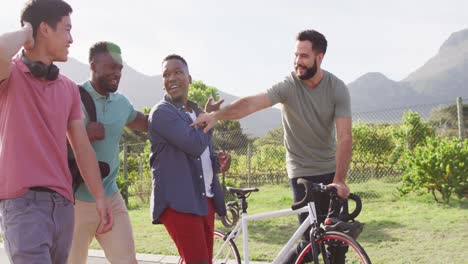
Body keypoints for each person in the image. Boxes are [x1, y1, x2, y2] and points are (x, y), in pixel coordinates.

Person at [193, 29, 352, 263]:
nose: (298, 61)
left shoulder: (337, 88)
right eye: (296, 55)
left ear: (320, 57)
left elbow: (345, 136)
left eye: (304, 56)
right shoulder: (289, 86)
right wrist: (218, 115)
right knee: (311, 242)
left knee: (337, 243)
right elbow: (251, 104)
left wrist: (339, 179)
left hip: (330, 168)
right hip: (301, 172)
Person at [0, 1, 113, 263]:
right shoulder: (11, 74)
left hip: (63, 205)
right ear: (44, 29)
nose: (71, 38)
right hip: (22, 204)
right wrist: (26, 33)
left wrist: (99, 197)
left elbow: (82, 146)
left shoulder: (69, 88)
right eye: (66, 29)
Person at [68, 42, 148, 264]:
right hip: (75, 202)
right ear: (93, 66)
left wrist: (190, 117)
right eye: (111, 67)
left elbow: (149, 124)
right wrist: (82, 133)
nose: (117, 73)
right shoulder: (71, 96)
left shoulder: (122, 103)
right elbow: (47, 140)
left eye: (120, 68)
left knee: (127, 261)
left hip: (111, 197)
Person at [148, 54, 230, 264]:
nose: (172, 78)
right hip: (179, 202)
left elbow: (202, 157)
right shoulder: (161, 112)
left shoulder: (197, 113)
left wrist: (217, 163)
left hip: (205, 200)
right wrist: (209, 120)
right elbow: (193, 145)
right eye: (166, 74)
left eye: (178, 72)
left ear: (189, 78)